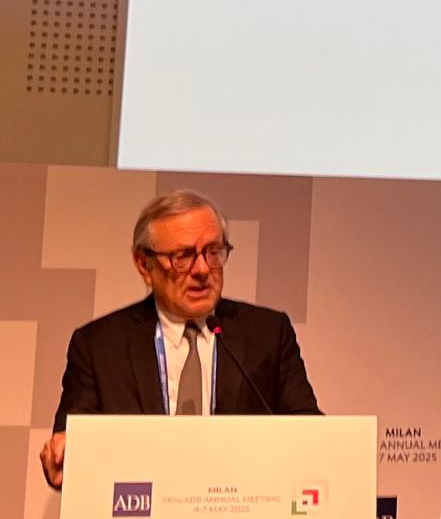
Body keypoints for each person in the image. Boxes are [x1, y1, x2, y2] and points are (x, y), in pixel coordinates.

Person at [38, 189, 320, 490]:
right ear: (144, 265)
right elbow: (72, 444)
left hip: (242, 507)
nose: (202, 269)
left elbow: (309, 430)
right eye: (182, 256)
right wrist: (64, 455)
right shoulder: (99, 346)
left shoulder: (268, 333)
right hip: (141, 512)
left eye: (213, 251)